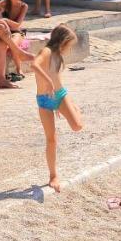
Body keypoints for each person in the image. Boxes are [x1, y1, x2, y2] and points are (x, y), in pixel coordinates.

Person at [32, 24, 85, 192]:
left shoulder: (58, 55)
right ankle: (53, 175)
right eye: (69, 45)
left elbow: (57, 78)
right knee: (51, 139)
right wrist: (47, 81)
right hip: (44, 101)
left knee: (77, 126)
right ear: (62, 42)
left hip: (60, 96)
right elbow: (34, 65)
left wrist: (64, 100)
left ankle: (73, 106)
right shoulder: (46, 52)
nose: (69, 49)